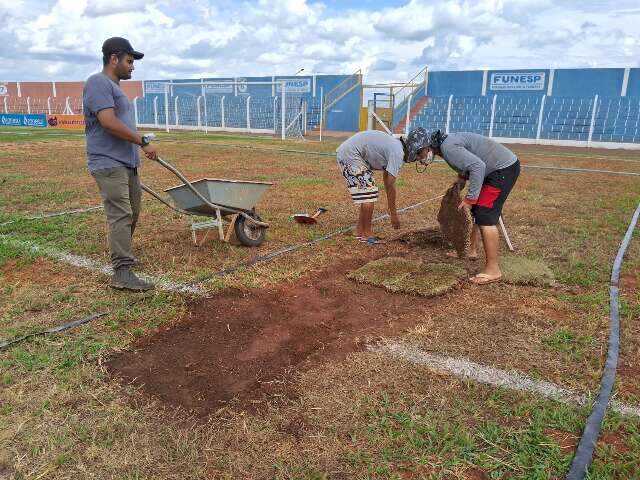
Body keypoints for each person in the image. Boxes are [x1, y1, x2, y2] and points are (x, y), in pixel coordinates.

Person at [83, 37, 159, 291]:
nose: (132, 67)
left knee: (132, 212)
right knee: (121, 214)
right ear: (113, 59)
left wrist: (139, 146)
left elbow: (120, 123)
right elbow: (107, 121)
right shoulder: (98, 83)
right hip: (108, 162)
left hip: (127, 163)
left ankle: (123, 258)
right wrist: (142, 141)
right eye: (129, 61)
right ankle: (122, 272)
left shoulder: (114, 87)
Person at [413, 129, 520, 284]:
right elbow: (468, 160)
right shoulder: (446, 145)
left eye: (419, 153)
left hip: (502, 170)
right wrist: (462, 179)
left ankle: (493, 270)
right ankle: (471, 250)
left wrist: (470, 198)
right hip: (494, 169)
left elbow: (478, 166)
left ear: (428, 146)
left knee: (485, 215)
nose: (419, 157)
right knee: (476, 211)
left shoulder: (448, 148)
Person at [336, 129, 429, 244]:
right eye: (420, 156)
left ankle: (359, 231)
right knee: (369, 194)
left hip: (351, 153)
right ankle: (367, 235)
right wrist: (393, 214)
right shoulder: (398, 152)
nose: (418, 159)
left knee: (368, 194)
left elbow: (386, 178)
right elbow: (390, 184)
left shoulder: (396, 147)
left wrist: (391, 210)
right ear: (416, 148)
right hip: (351, 155)